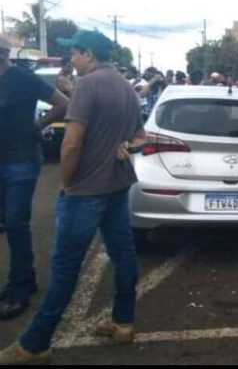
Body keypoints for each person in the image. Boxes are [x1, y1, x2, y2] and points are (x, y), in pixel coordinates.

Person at [0, 30, 145, 365]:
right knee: (123, 253)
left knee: (65, 266)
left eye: (75, 54)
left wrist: (66, 185)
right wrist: (127, 146)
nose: (71, 60)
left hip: (85, 191)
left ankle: (35, 344)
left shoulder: (87, 87)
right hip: (116, 185)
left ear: (89, 54)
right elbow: (140, 135)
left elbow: (71, 144)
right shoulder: (124, 85)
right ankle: (123, 322)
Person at [0, 36, 69, 321]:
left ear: (3, 53)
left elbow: (62, 103)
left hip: (21, 160)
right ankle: (25, 277)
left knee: (16, 222)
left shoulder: (22, 78)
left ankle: (20, 287)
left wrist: (37, 126)